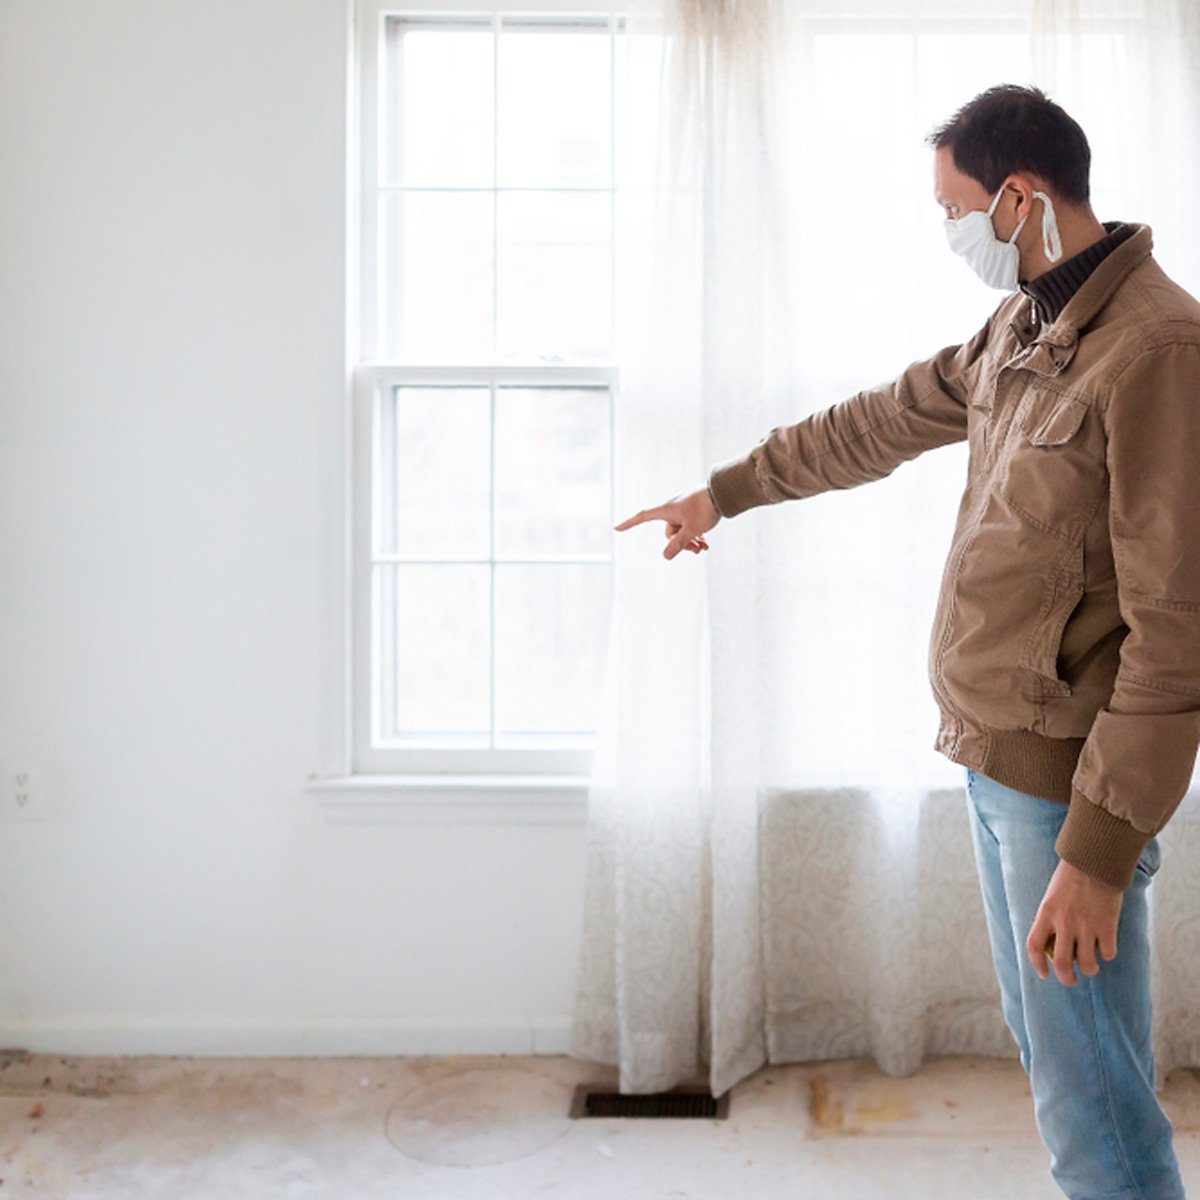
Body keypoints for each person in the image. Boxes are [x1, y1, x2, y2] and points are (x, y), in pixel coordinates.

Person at [615, 83, 1200, 1200]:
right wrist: (724, 494)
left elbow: (1178, 633)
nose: (949, 234)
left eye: (955, 209)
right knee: (1064, 1074)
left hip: (1068, 791)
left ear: (1022, 199)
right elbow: (879, 422)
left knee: (1096, 1107)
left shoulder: (1158, 348)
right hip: (994, 763)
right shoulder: (1023, 327)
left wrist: (1098, 849)